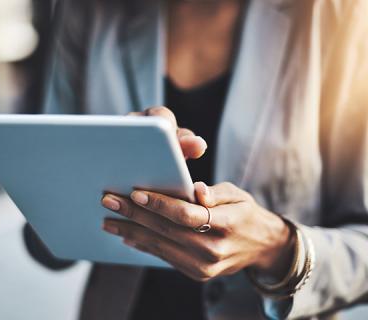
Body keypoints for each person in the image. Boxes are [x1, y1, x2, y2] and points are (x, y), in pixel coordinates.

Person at [23, 0, 368, 319]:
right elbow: (46, 240)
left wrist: (277, 247)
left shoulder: (337, 16)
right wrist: (96, 173)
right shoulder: (90, 10)